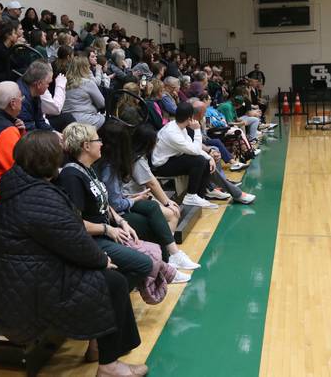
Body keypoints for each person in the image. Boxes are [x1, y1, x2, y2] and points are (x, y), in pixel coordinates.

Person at [0, 131, 148, 377]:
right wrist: (101, 260)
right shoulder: (37, 195)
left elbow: (66, 236)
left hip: (32, 272)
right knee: (113, 282)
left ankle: (100, 348)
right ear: (47, 160)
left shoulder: (22, 184)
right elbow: (72, 238)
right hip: (31, 285)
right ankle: (109, 365)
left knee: (110, 279)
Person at [56, 123, 153, 288]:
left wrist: (122, 222)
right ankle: (106, 297)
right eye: (97, 140)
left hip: (107, 230)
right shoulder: (71, 176)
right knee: (144, 264)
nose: (101, 143)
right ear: (86, 146)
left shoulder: (88, 169)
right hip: (93, 240)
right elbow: (75, 223)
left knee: (148, 234)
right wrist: (107, 229)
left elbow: (103, 201)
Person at [97, 120, 199, 271]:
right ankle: (169, 258)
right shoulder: (112, 166)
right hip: (120, 208)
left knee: (155, 209)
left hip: (126, 201)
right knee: (167, 217)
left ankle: (171, 257)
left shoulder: (116, 161)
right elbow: (117, 202)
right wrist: (138, 199)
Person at [151, 102, 218, 209]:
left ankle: (199, 196)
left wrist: (209, 157)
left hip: (173, 159)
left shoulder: (179, 126)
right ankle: (191, 195)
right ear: (190, 117)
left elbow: (192, 147)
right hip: (162, 166)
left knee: (204, 161)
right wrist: (197, 130)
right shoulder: (172, 132)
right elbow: (195, 150)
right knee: (199, 160)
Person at [63, 55, 106, 128]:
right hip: (85, 120)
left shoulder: (63, 82)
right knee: (107, 119)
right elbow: (101, 104)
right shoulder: (88, 83)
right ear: (85, 68)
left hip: (66, 121)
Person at [17, 60, 53, 131]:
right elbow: (29, 131)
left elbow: (39, 121)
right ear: (39, 84)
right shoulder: (21, 100)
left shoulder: (34, 92)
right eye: (48, 83)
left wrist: (53, 132)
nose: (48, 86)